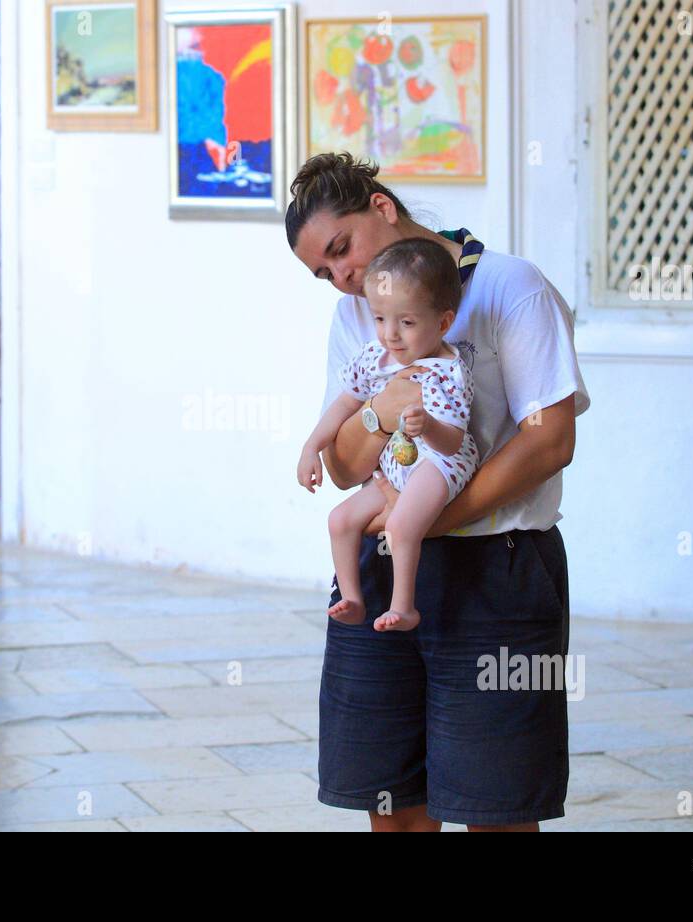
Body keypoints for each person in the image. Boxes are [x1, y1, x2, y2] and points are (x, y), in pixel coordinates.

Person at [287, 152, 589, 832]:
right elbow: (343, 465)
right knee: (390, 804)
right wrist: (378, 412)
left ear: (383, 209)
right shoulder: (354, 319)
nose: (343, 278)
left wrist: (426, 520)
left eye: (343, 249)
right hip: (383, 569)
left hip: (499, 569)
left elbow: (549, 441)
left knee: (497, 810)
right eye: (323, 273)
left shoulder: (513, 287)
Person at [298, 238, 478, 632]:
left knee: (399, 526)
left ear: (443, 323)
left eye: (407, 322)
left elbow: (451, 441)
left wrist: (427, 425)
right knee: (340, 519)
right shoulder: (375, 358)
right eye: (380, 319)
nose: (391, 335)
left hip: (440, 462)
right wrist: (312, 446)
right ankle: (352, 597)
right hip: (395, 466)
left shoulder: (447, 373)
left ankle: (404, 607)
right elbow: (345, 405)